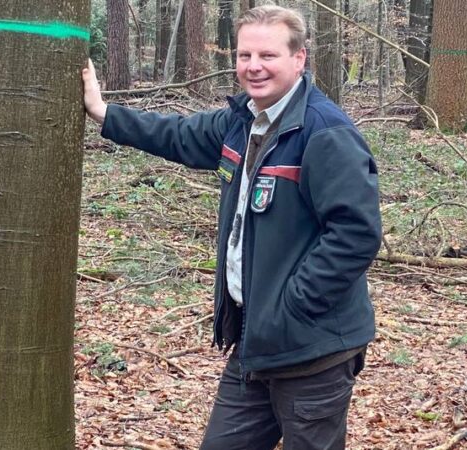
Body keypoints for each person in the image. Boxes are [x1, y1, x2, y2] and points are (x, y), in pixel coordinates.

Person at [82, 5, 382, 449]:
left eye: (268, 55)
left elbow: (356, 234)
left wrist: (294, 304)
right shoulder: (241, 122)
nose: (254, 67)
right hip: (253, 344)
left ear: (299, 59)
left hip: (311, 352)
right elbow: (178, 135)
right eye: (244, 56)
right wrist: (103, 112)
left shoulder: (324, 133)